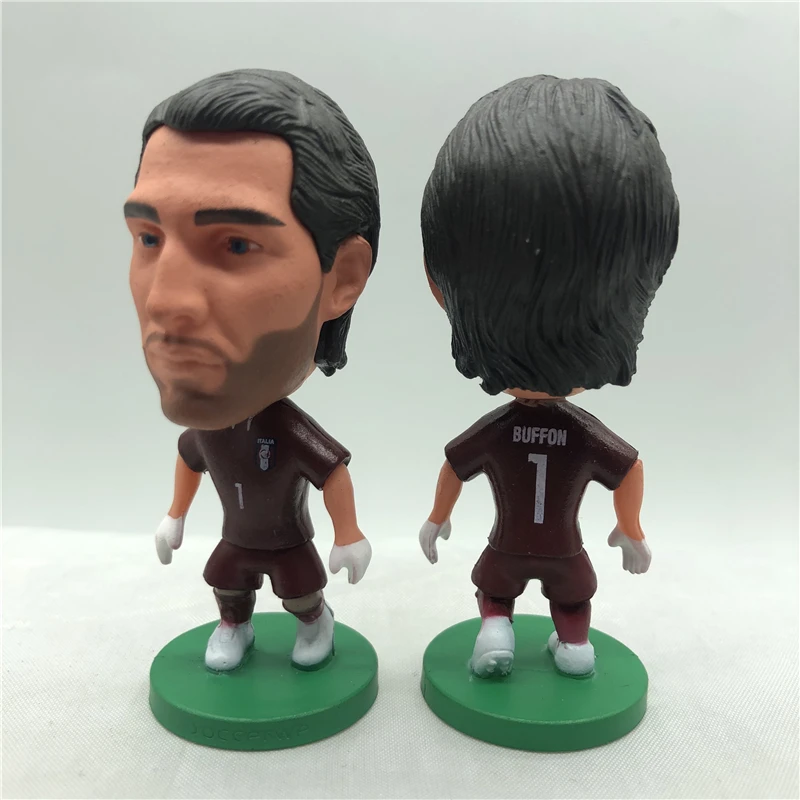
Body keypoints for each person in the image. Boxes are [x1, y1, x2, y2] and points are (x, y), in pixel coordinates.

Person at [418, 75, 679, 678]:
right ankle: (575, 647)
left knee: (496, 591)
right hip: (565, 551)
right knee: (572, 599)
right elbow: (630, 469)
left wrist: (437, 518)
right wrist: (630, 527)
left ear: (438, 286)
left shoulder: (498, 430)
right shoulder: (583, 434)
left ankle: (496, 627)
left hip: (506, 548)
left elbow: (454, 466)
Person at [125, 69, 380, 672]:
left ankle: (313, 621)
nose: (165, 300)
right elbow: (190, 460)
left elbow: (332, 472)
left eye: (237, 245)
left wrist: (347, 533)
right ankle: (234, 625)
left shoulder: (289, 430)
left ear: (341, 278)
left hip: (289, 541)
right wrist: (175, 515)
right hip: (237, 539)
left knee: (300, 589)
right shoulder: (209, 435)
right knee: (228, 582)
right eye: (149, 238)